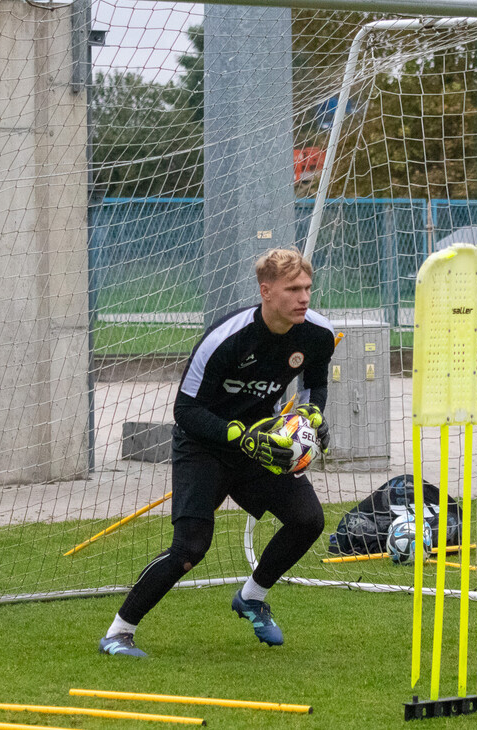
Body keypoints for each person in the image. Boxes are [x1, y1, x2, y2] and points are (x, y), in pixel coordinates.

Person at [99, 248, 335, 658]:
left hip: (260, 446)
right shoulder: (225, 338)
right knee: (190, 548)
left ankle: (252, 597)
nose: (304, 297)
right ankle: (118, 633)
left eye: (308, 288)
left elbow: (315, 386)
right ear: (266, 291)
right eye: (293, 289)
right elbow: (185, 410)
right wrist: (236, 435)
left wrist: (312, 419)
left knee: (307, 519)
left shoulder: (317, 333)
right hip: (203, 445)